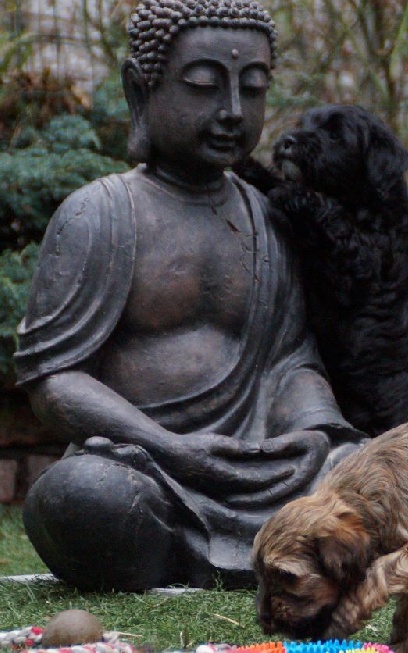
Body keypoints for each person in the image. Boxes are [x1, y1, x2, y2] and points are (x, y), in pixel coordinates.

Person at [14, 0, 363, 591]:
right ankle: (242, 551)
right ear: (140, 89)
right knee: (80, 495)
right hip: (147, 468)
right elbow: (55, 378)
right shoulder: (99, 214)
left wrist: (314, 431)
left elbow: (288, 362)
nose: (232, 112)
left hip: (260, 467)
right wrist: (168, 448)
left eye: (252, 89)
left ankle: (228, 550)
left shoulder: (269, 221)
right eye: (203, 86)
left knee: (372, 471)